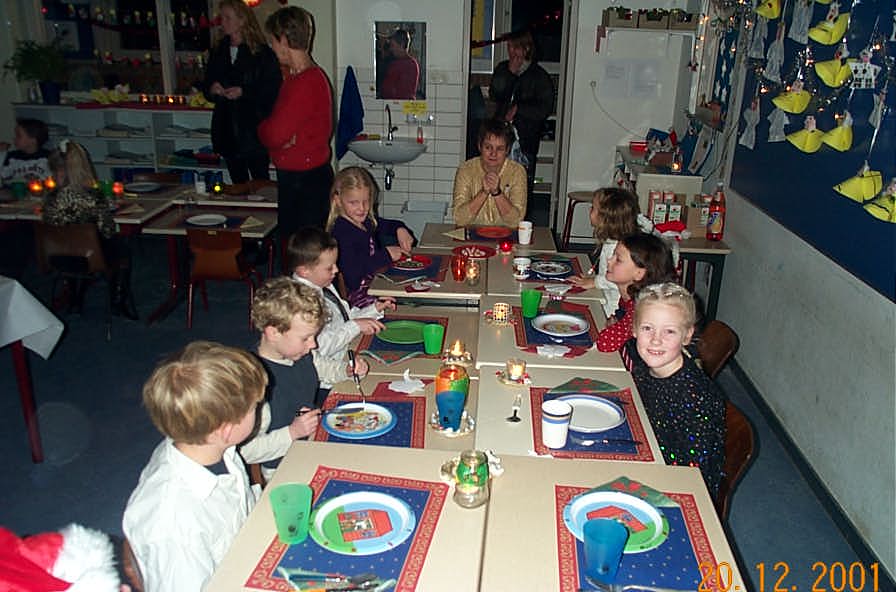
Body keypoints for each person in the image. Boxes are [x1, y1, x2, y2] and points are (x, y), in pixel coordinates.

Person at [123, 341, 267, 592]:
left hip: (246, 554)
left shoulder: (213, 447)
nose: (260, 408)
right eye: (255, 407)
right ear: (226, 429)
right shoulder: (174, 524)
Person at [623, 283, 726, 498]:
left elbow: (694, 475)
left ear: (687, 335)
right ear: (634, 329)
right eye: (647, 328)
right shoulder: (645, 369)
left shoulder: (695, 398)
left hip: (674, 487)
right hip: (646, 455)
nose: (656, 339)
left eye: (669, 331)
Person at [258, 6, 334, 252]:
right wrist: (281, 140)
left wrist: (266, 132)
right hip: (304, 178)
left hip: (304, 182)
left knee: (303, 255)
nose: (271, 47)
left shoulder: (305, 81)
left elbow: (273, 134)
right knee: (302, 253)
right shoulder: (299, 77)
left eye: (272, 41)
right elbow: (280, 134)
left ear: (283, 39)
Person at [42, 141, 138, 320]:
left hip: (58, 257)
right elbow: (107, 230)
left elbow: (50, 222)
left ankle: (74, 298)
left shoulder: (50, 199)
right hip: (90, 258)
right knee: (122, 247)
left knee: (71, 243)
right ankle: (117, 300)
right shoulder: (93, 197)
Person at [239, 277, 324, 477]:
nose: (313, 345)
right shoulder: (254, 383)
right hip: (283, 467)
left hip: (312, 443)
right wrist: (292, 433)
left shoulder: (297, 352)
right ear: (274, 333)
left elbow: (320, 367)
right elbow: (245, 451)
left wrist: (346, 369)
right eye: (306, 338)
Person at [288, 226, 384, 395]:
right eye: (329, 267)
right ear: (304, 271)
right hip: (327, 382)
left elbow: (344, 317)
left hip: (347, 357)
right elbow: (320, 347)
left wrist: (373, 309)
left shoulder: (323, 285)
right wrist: (355, 326)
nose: (336, 270)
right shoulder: (300, 304)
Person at [204, 0, 281, 184]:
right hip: (226, 129)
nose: (223, 22)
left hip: (253, 130)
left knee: (261, 184)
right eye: (221, 18)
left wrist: (244, 92)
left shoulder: (261, 53)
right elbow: (206, 84)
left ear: (242, 20)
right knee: (237, 184)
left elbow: (272, 90)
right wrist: (212, 89)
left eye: (228, 18)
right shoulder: (218, 50)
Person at [326, 166, 415, 305]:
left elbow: (386, 225)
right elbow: (353, 277)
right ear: (337, 200)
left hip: (375, 286)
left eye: (366, 201)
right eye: (353, 203)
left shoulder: (365, 222)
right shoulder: (341, 233)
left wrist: (400, 229)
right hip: (360, 300)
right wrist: (386, 255)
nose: (362, 208)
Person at [569, 187, 656, 317]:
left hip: (615, 307)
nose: (589, 210)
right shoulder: (615, 239)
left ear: (605, 218)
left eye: (593, 208)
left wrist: (595, 282)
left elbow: (623, 279)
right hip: (610, 297)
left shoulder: (618, 247)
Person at [489, 30, 554, 196]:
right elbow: (495, 94)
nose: (512, 51)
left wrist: (519, 109)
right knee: (496, 180)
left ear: (526, 49)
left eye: (516, 47)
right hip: (499, 137)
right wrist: (509, 74)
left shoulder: (539, 76)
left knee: (521, 185)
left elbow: (544, 108)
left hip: (526, 139)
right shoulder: (503, 68)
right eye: (509, 47)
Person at [594, 233, 675, 353]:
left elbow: (604, 343)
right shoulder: (629, 297)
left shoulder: (640, 308)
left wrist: (614, 327)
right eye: (612, 255)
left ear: (639, 274)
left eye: (618, 260)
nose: (609, 260)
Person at [452, 119, 527, 227]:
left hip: (507, 235)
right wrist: (483, 192)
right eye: (488, 147)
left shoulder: (517, 172)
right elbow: (459, 219)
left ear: (507, 150)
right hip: (471, 234)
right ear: (479, 146)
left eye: (499, 149)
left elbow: (516, 221)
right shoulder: (466, 170)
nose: (493, 154)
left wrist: (497, 193)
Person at [0, 118, 52, 184]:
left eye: (19, 136)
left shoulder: (48, 157)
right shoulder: (11, 157)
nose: (14, 138)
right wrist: (2, 153)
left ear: (33, 140)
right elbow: (3, 178)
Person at [379, 29, 419, 99]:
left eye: (393, 45)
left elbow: (402, 93)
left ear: (402, 45)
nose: (391, 49)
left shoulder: (409, 65)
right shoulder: (396, 62)